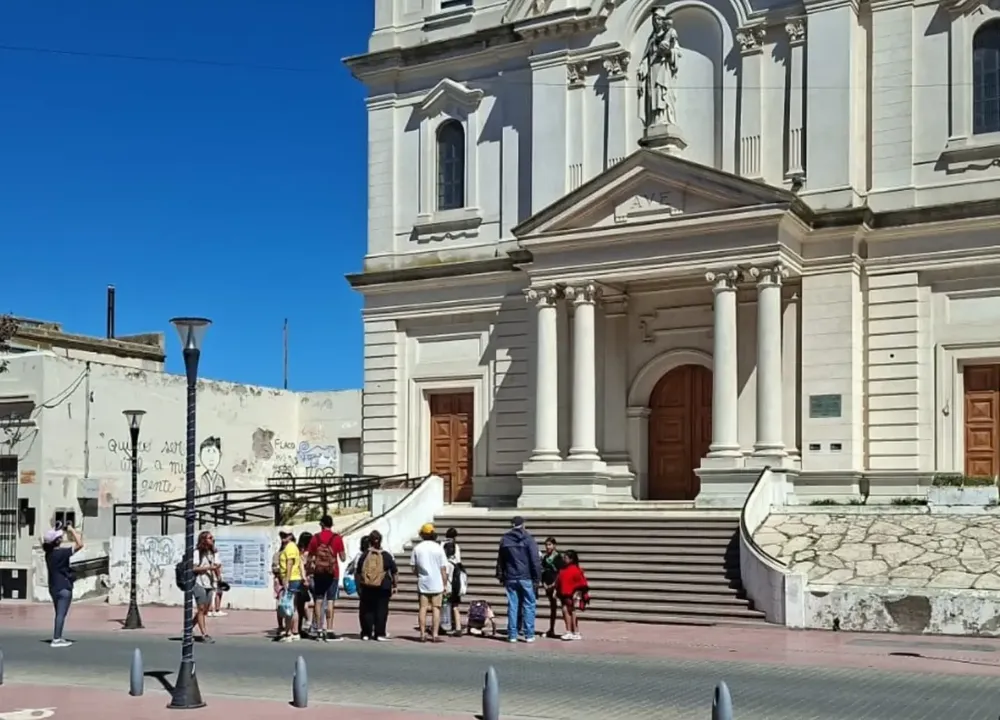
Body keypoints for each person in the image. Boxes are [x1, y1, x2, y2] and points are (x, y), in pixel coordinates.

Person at [495, 515, 542, 644]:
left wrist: (500, 574)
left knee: (513, 605)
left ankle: (512, 634)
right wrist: (537, 577)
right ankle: (529, 634)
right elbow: (535, 560)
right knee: (529, 604)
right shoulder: (528, 539)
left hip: (510, 576)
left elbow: (500, 560)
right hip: (526, 576)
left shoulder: (505, 539)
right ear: (523, 524)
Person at [305, 513, 347, 642]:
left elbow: (310, 557)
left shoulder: (315, 538)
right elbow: (343, 558)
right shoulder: (337, 538)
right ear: (331, 525)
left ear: (322, 525)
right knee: (330, 601)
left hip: (319, 574)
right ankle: (329, 629)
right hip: (332, 574)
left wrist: (309, 569)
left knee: (318, 600)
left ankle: (318, 629)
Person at [42, 523, 83, 647]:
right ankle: (56, 639)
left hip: (53, 587)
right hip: (64, 587)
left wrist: (58, 529)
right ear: (57, 541)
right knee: (61, 614)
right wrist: (71, 530)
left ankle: (58, 636)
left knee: (58, 613)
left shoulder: (49, 555)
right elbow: (80, 544)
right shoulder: (62, 553)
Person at [410, 523, 449, 643]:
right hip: (437, 583)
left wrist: (419, 574)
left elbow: (413, 567)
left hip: (423, 582)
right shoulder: (438, 548)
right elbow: (443, 568)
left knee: (423, 608)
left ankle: (422, 634)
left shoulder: (417, 548)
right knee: (436, 609)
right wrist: (445, 583)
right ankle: (435, 634)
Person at [357, 530, 397, 641]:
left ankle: (366, 633)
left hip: (367, 586)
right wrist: (395, 585)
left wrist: (359, 586)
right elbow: (394, 571)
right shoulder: (386, 555)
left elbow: (359, 571)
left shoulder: (365, 555)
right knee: (381, 610)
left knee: (367, 610)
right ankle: (379, 633)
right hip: (383, 586)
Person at [277, 527, 304, 642]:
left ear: (291, 536)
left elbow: (290, 564)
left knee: (288, 606)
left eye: (286, 535)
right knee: (293, 607)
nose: (283, 537)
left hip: (292, 579)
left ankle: (288, 633)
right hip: (294, 578)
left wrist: (286, 580)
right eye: (282, 535)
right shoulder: (290, 547)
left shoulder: (290, 547)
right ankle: (295, 631)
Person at [555, 550, 589, 641]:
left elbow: (582, 584)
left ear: (571, 559)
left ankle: (570, 631)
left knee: (568, 611)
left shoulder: (575, 570)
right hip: (564, 594)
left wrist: (578, 593)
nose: (564, 559)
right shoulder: (564, 569)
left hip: (571, 594)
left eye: (565, 558)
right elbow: (559, 581)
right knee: (568, 611)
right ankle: (574, 631)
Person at [193, 530, 219, 644]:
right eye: (210, 538)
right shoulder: (197, 552)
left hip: (210, 583)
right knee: (201, 608)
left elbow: (216, 566)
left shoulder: (213, 552)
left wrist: (219, 577)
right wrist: (209, 568)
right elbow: (194, 568)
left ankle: (187, 629)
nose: (212, 540)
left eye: (212, 538)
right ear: (204, 540)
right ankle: (204, 634)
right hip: (199, 583)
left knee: (205, 610)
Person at [442, 527, 465, 637]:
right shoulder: (456, 547)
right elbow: (459, 561)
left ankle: (444, 625)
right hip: (456, 585)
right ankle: (458, 627)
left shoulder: (442, 546)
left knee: (444, 605)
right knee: (455, 606)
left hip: (448, 586)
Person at [540, 536, 565, 638]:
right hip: (548, 584)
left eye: (549, 545)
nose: (547, 547)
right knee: (553, 608)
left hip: (557, 584)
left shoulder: (558, 557)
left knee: (565, 606)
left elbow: (561, 572)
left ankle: (570, 629)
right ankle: (551, 629)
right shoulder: (545, 558)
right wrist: (544, 583)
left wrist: (554, 584)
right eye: (546, 545)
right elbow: (542, 571)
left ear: (554, 545)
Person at [295, 531, 314, 638]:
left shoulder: (298, 552)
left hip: (298, 579)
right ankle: (308, 623)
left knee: (300, 605)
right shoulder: (309, 554)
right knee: (304, 605)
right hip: (305, 579)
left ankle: (299, 626)